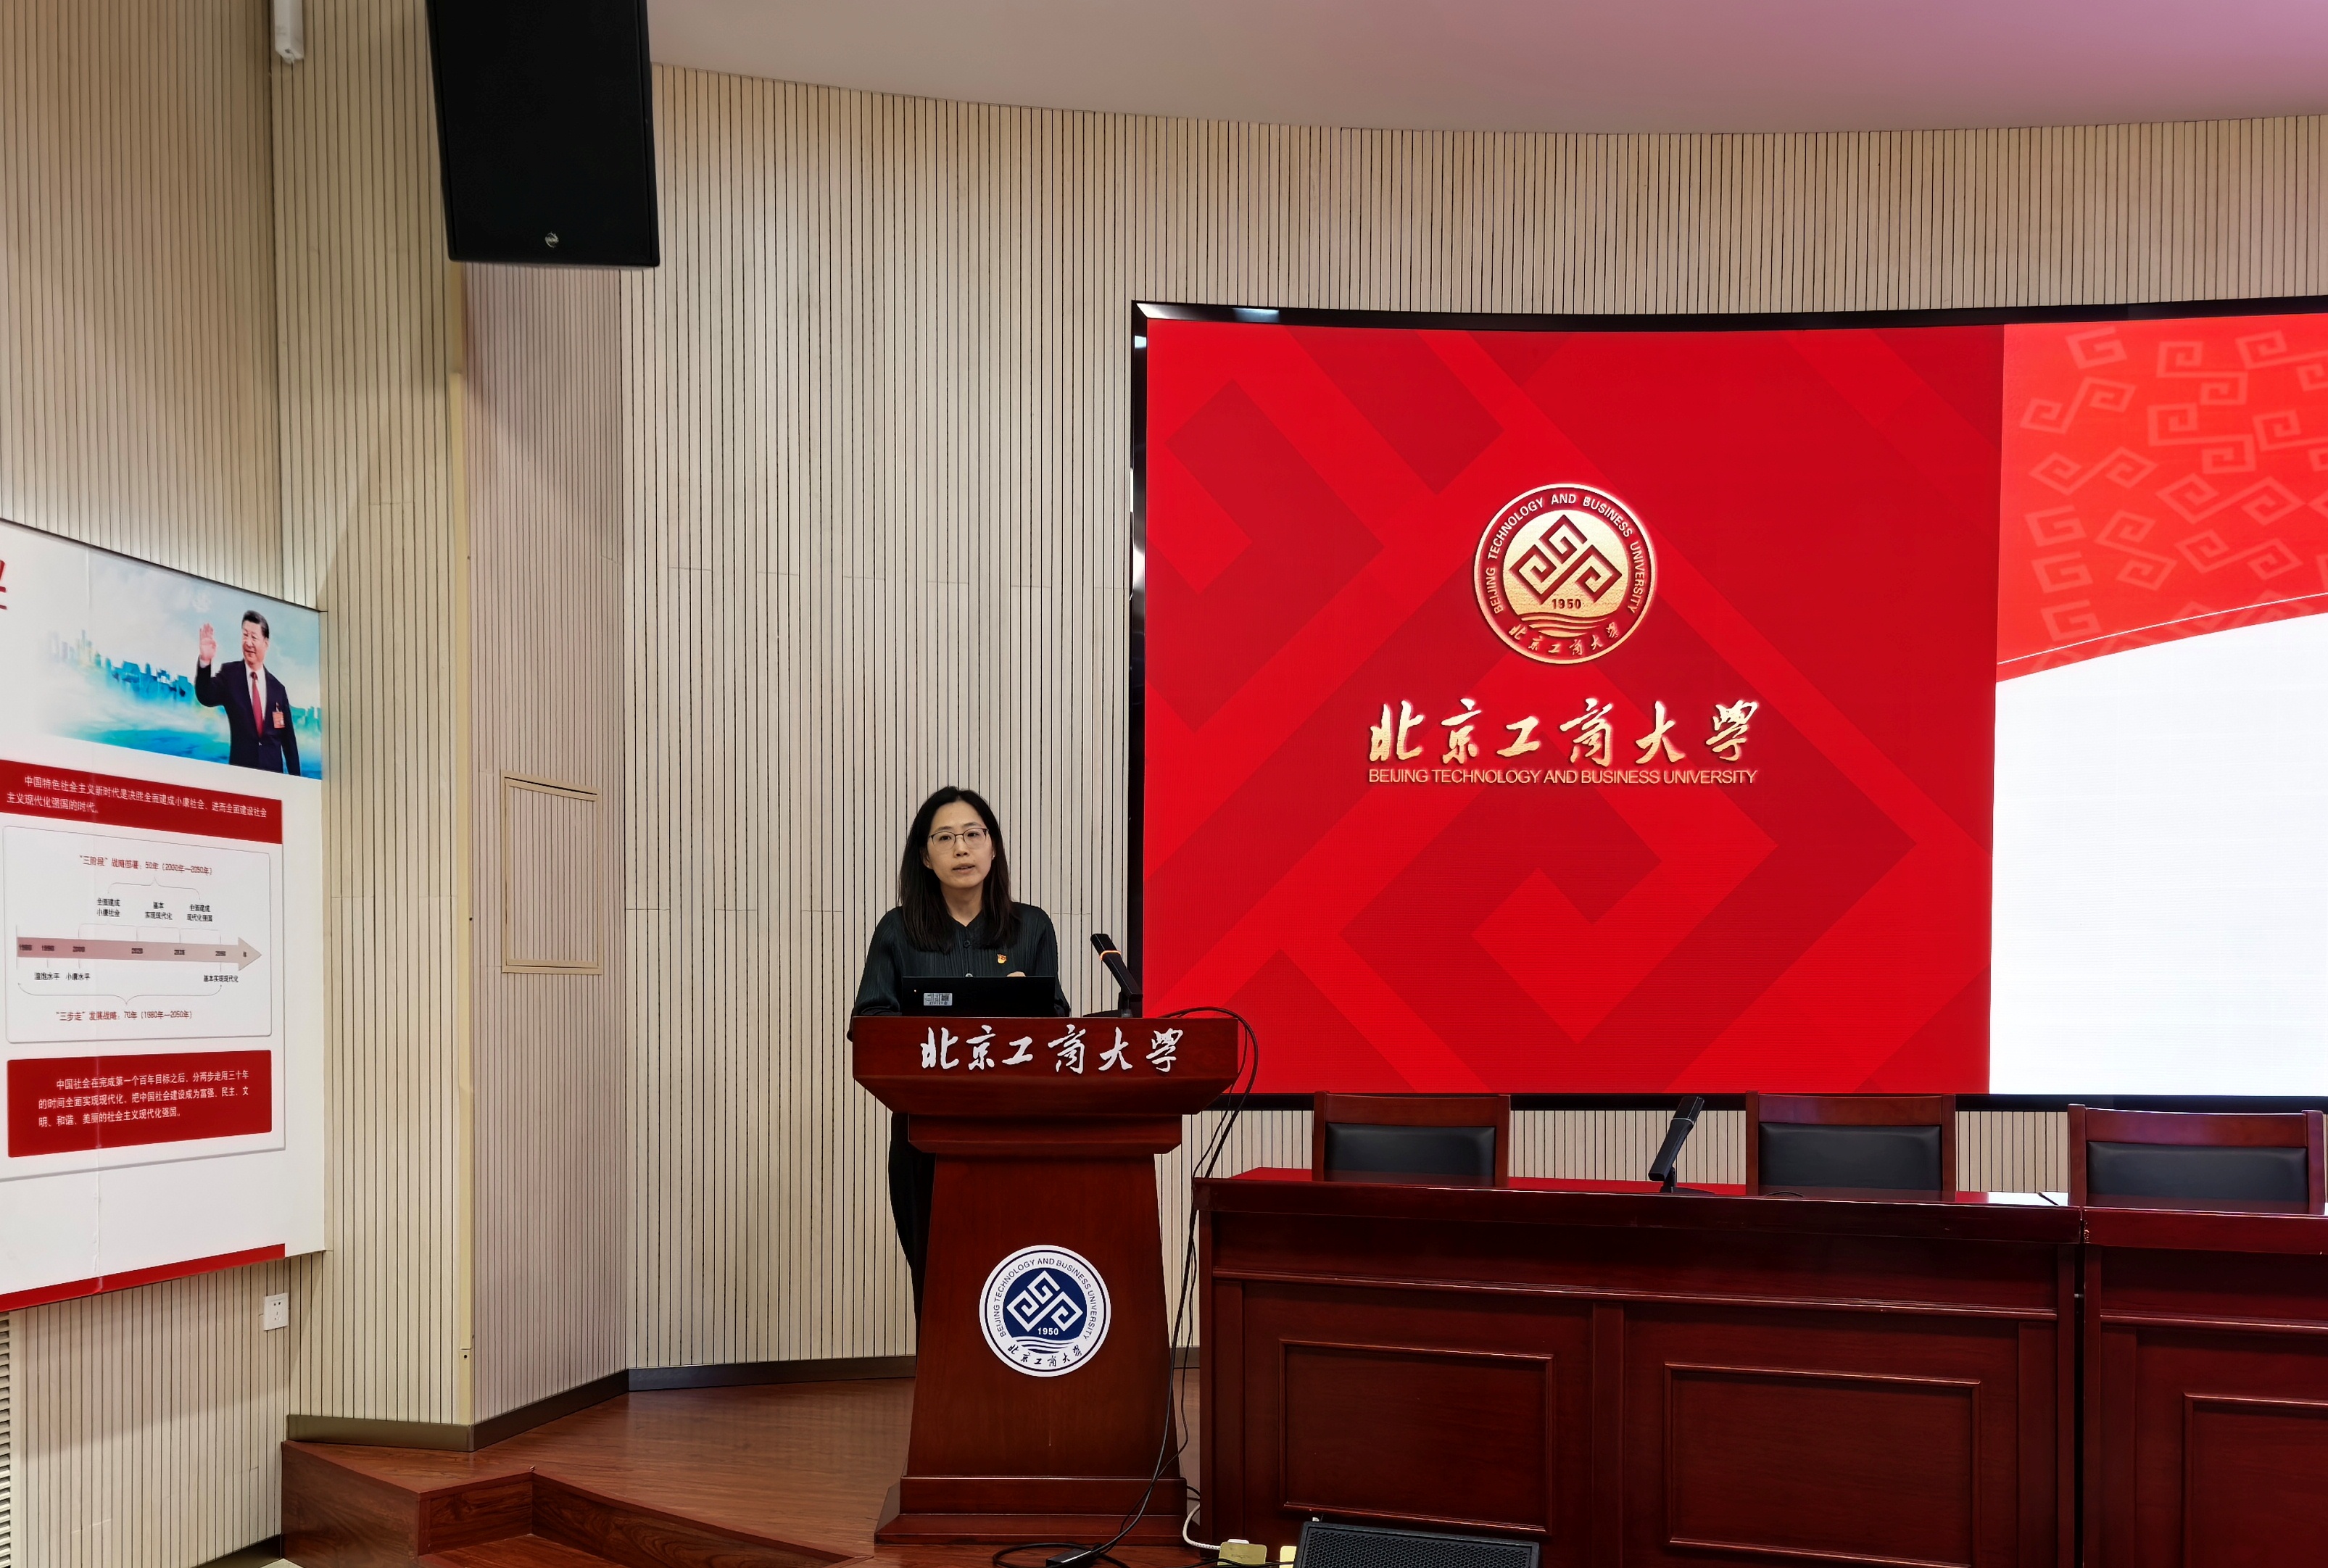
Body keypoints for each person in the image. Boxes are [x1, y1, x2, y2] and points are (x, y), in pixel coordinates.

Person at [852, 786, 1069, 1317]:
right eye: (945, 838)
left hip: (1015, 1134)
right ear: (925, 858)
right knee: (938, 1281)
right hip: (925, 1136)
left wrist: (1024, 1007)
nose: (962, 848)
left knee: (1015, 1278)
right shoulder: (898, 930)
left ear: (993, 847)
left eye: (973, 834)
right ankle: (943, 1374)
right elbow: (870, 1027)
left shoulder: (1031, 928)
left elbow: (1058, 1030)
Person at [194, 611, 301, 774]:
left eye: (254, 637)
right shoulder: (230, 675)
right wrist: (205, 661)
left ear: (266, 644)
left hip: (273, 778)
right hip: (240, 776)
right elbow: (205, 696)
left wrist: (297, 780)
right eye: (245, 635)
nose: (248, 643)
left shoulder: (278, 689)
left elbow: (288, 741)